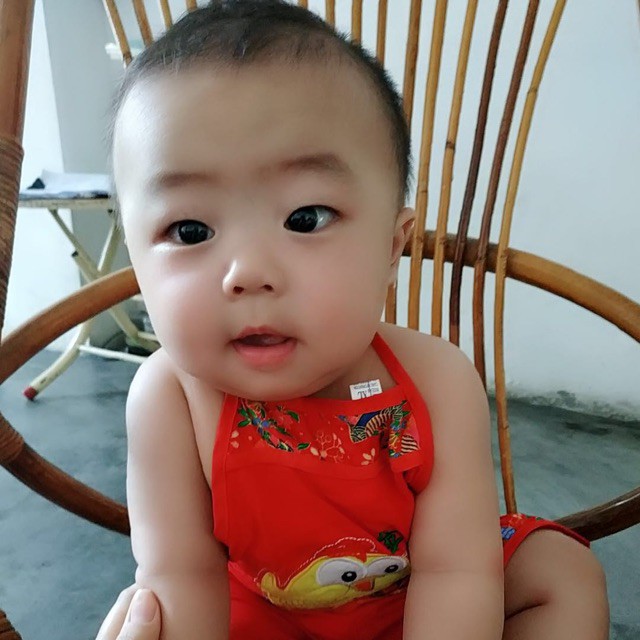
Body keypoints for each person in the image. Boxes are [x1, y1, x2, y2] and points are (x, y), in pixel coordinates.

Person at [100, 1, 609, 638]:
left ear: (392, 247)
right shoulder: (170, 397)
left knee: (561, 571)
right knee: (153, 610)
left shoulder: (438, 380)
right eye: (190, 230)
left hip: (419, 598)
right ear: (136, 262)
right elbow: (183, 573)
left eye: (305, 218)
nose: (247, 272)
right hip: (266, 607)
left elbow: (456, 570)